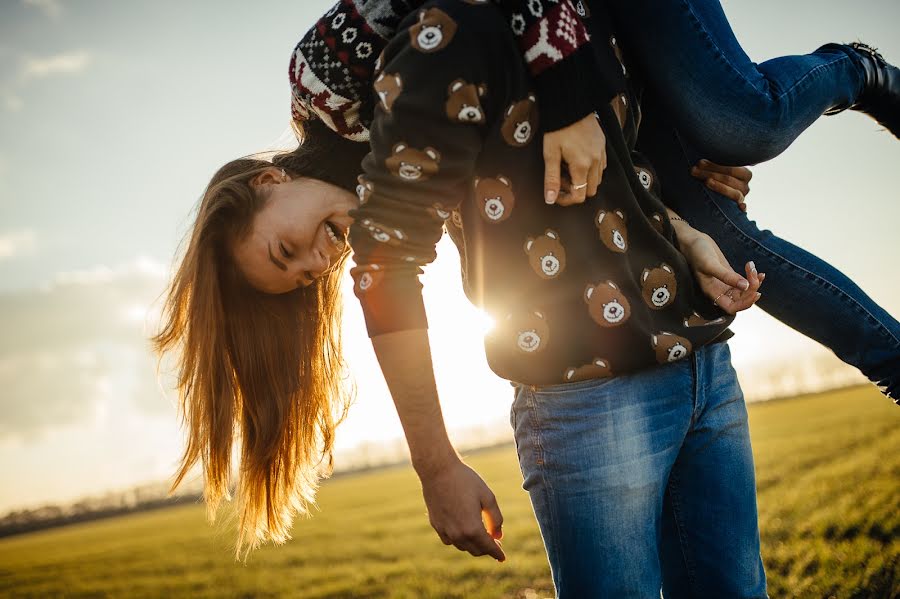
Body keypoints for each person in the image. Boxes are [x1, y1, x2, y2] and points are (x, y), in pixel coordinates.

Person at [291, 0, 900, 401]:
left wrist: (565, 99)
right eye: (311, 270)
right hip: (607, 65)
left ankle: (856, 70)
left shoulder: (321, 84)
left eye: (289, 247)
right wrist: (665, 183)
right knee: (725, 242)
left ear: (264, 184)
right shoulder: (391, 192)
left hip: (587, 38)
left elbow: (460, 19)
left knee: (744, 123)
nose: (323, 256)